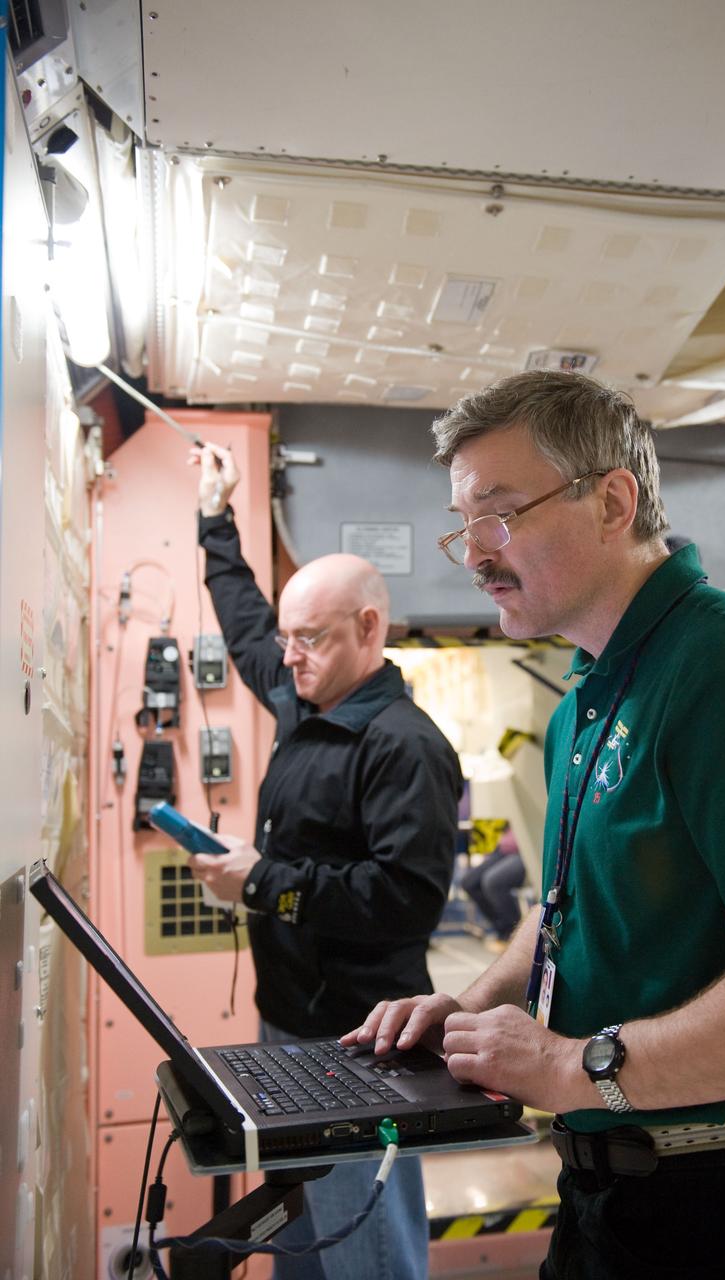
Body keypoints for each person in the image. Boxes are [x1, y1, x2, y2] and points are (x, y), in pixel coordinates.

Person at [342, 370, 725, 1279]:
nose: (476, 555)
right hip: (613, 1200)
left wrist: (575, 1067)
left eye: (498, 516)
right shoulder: (584, 697)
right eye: (465, 528)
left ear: (612, 500)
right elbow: (572, 908)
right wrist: (471, 1008)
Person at [187, 442, 463, 1280]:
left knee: (364, 1255)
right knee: (300, 1241)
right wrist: (215, 517)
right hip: (290, 1024)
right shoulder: (307, 692)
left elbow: (402, 902)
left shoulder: (403, 747)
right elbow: (241, 622)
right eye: (288, 639)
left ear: (368, 630)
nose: (289, 656)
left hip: (362, 1044)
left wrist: (263, 883)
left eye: (308, 639)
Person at [459, 824, 526, 949]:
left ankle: (514, 933)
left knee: (493, 882)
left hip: (524, 852)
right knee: (469, 882)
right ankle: (503, 929)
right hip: (502, 849)